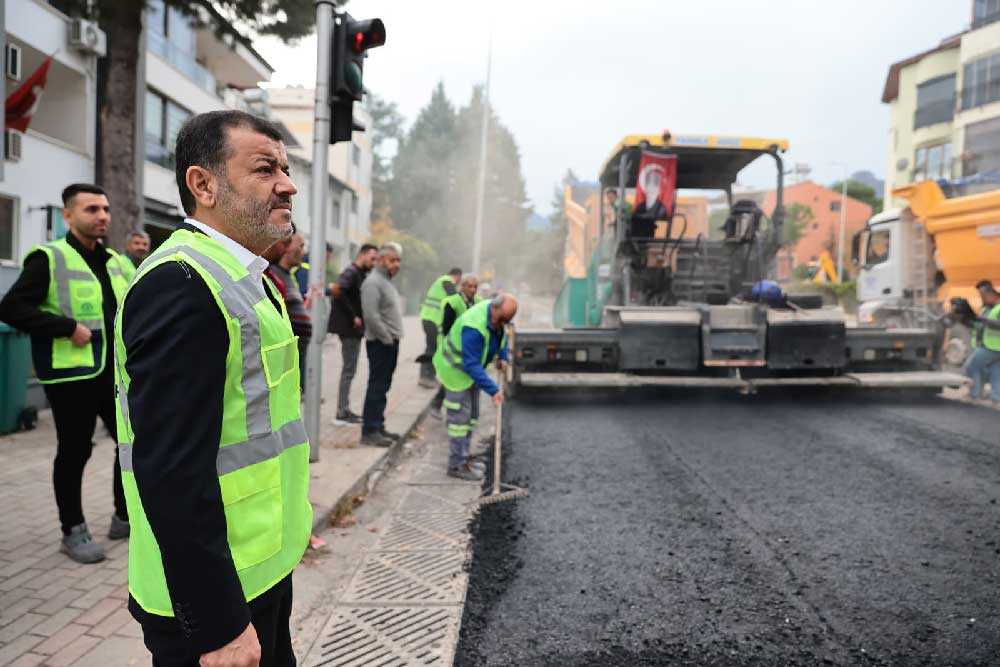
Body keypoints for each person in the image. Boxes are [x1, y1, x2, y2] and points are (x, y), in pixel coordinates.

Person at [115, 110, 310, 666]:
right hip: (211, 602)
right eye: (266, 168)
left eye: (287, 169)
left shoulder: (243, 277)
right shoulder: (182, 285)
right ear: (203, 185)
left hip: (259, 566)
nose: (288, 184)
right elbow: (171, 470)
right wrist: (220, 624)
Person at [0, 183, 130, 564]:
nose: (102, 216)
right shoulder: (49, 259)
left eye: (105, 209)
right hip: (71, 376)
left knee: (130, 444)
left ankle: (124, 516)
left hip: (114, 372)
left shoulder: (116, 261)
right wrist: (65, 327)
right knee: (75, 451)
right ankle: (72, 531)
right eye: (92, 209)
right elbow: (11, 308)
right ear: (69, 216)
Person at [433, 294, 518, 480]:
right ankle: (455, 465)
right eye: (502, 319)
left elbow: (501, 337)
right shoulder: (474, 326)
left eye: (507, 321)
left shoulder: (496, 318)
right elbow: (471, 364)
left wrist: (503, 356)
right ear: (494, 308)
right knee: (459, 420)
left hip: (470, 372)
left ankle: (464, 458)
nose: (503, 323)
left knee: (472, 416)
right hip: (455, 371)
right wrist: (494, 390)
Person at [360, 243, 405, 447]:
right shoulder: (373, 282)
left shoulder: (386, 281)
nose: (396, 264)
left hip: (389, 342)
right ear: (380, 260)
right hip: (380, 343)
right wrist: (387, 338)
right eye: (392, 260)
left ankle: (378, 425)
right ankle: (370, 431)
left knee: (384, 386)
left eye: (398, 260)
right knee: (377, 386)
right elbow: (371, 315)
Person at [328, 243, 378, 424]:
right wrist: (353, 316)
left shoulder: (359, 273)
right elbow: (338, 291)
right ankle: (341, 412)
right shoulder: (352, 272)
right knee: (348, 370)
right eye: (372, 258)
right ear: (363, 255)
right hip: (349, 329)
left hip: (352, 329)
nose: (374, 263)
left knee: (350, 369)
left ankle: (345, 408)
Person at [430, 274, 482, 416]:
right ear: (462, 287)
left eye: (475, 286)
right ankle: (439, 405)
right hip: (453, 347)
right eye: (470, 286)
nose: (473, 290)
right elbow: (447, 328)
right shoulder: (453, 302)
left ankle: (464, 409)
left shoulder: (478, 302)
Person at [266, 232, 312, 391]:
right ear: (286, 247)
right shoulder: (272, 275)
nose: (303, 252)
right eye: (300, 246)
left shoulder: (288, 276)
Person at [418, 268, 462, 388]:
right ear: (457, 276)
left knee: (431, 347)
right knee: (433, 348)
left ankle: (426, 376)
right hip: (432, 319)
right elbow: (456, 299)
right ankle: (426, 377)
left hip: (428, 318)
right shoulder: (447, 281)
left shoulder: (440, 281)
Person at [964, 280, 1000, 403]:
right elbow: (978, 325)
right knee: (996, 372)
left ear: (991, 294)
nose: (982, 298)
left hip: (992, 347)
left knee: (972, 366)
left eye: (983, 296)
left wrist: (983, 320)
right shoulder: (986, 308)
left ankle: (975, 394)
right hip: (990, 346)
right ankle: (996, 398)